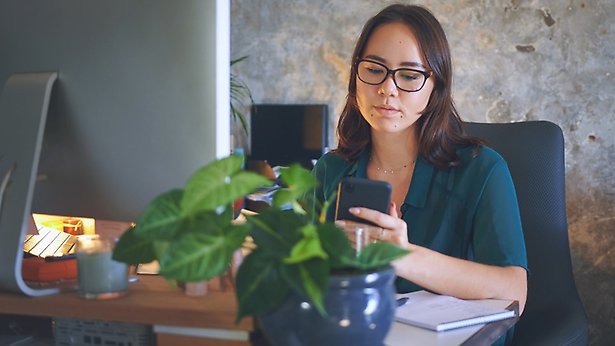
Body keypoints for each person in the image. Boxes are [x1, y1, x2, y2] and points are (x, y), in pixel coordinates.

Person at [311, 3, 528, 318]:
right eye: (373, 69)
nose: (387, 89)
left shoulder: (483, 170)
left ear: (435, 87)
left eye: (410, 76)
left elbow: (514, 290)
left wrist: (404, 256)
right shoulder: (330, 170)